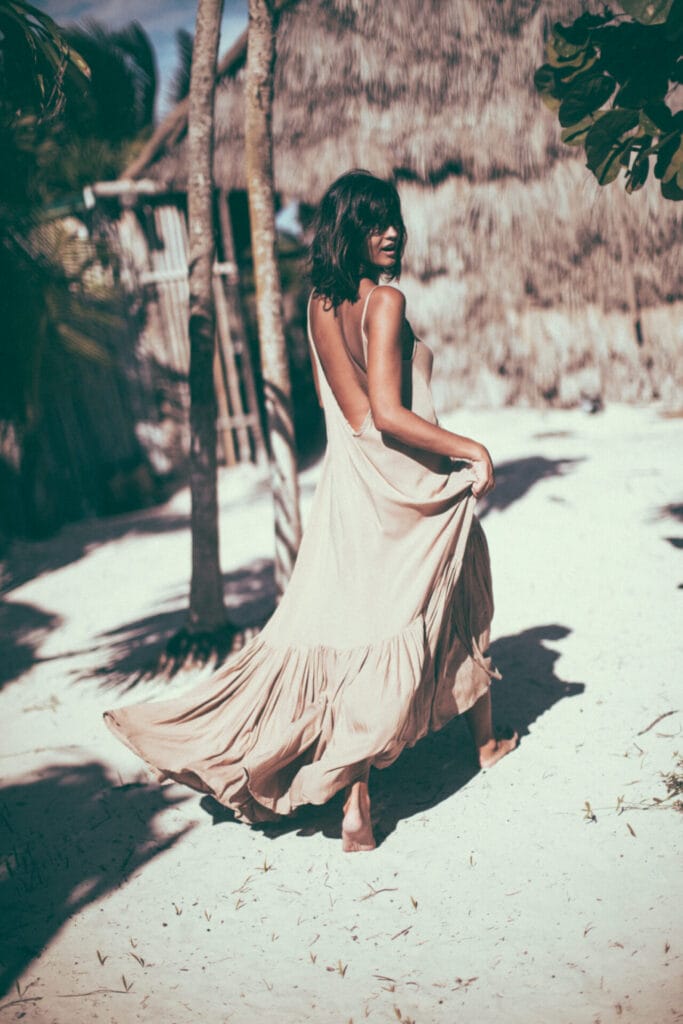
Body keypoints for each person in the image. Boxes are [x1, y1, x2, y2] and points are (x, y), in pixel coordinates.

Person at [104, 169, 516, 853]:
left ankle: (356, 799)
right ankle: (486, 745)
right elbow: (387, 413)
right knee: (461, 593)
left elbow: (355, 417)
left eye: (392, 220)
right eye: (371, 221)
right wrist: (470, 448)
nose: (388, 233)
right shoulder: (386, 302)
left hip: (353, 482)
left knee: (359, 628)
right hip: (407, 479)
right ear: (346, 231)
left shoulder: (318, 305)